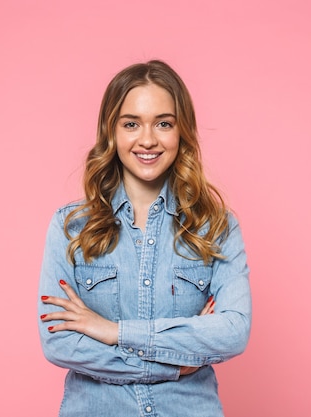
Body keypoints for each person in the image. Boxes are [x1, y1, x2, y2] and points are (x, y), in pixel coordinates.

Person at [37, 60, 251, 417]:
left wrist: (113, 331)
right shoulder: (71, 227)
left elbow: (232, 331)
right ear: (112, 132)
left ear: (181, 131)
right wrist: (171, 363)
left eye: (163, 123)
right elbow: (59, 342)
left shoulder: (216, 227)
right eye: (131, 124)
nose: (148, 139)